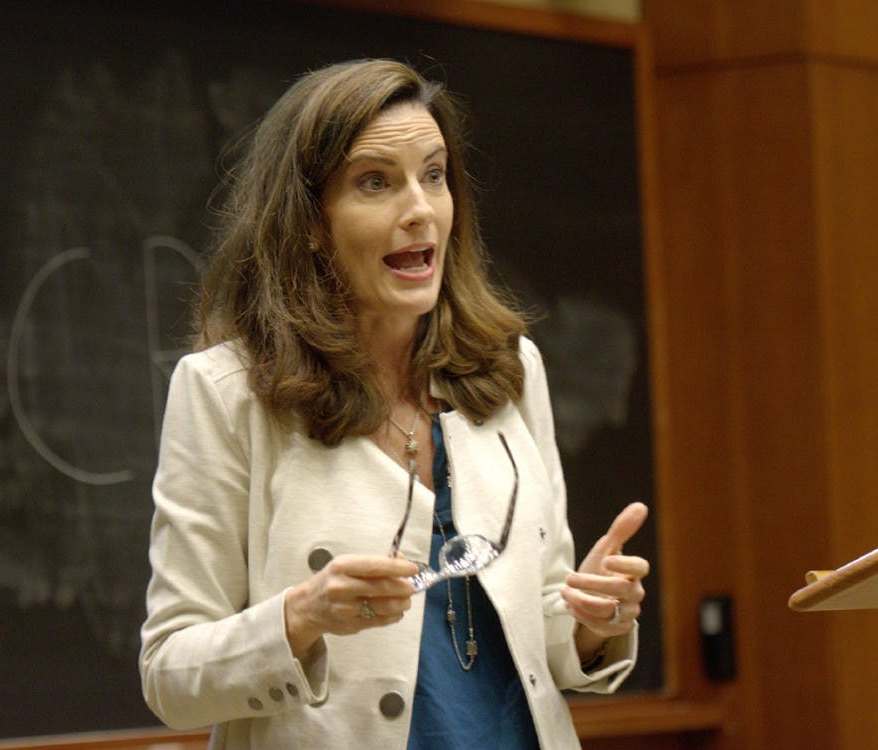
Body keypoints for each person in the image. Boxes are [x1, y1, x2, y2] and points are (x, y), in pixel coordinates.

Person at [139, 58, 650, 750]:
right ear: (311, 222)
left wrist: (594, 620)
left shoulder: (510, 369)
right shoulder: (227, 393)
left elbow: (546, 631)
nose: (418, 209)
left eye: (434, 175)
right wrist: (302, 614)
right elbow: (169, 673)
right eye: (375, 183)